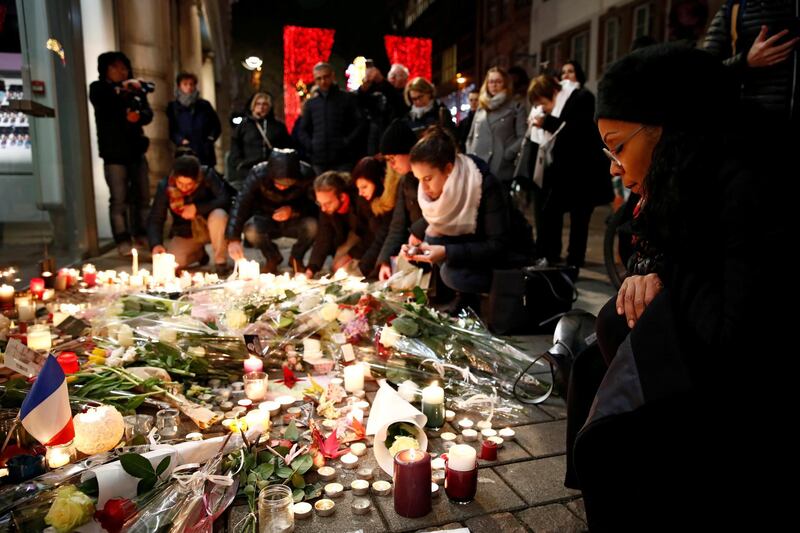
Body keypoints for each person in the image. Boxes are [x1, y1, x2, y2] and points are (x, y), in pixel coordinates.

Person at [565, 44, 787, 530]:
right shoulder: (675, 185)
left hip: (730, 394)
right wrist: (648, 272)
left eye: (619, 147)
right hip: (686, 366)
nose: (613, 166)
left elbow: (734, 337)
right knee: (589, 362)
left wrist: (667, 274)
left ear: (668, 131)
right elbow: (648, 258)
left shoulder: (745, 185)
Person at [401, 127, 513, 311]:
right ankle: (462, 297)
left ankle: (472, 298)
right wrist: (417, 250)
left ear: (448, 169)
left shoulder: (482, 184)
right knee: (431, 238)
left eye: (428, 178)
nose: (424, 187)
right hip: (470, 255)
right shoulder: (437, 191)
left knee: (452, 274)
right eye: (419, 179)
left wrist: (447, 252)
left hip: (504, 263)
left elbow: (499, 246)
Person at [527, 74, 613, 268]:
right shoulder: (562, 102)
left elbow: (576, 133)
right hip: (562, 173)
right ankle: (553, 256)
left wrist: (546, 122)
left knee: (579, 219)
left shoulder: (581, 98)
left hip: (583, 173)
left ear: (552, 93)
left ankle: (574, 261)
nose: (543, 108)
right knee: (551, 214)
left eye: (542, 102)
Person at [89, 51, 153, 256]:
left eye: (124, 67)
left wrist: (138, 115)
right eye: (115, 67)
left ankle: (142, 234)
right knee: (119, 199)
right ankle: (122, 239)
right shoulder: (99, 88)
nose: (121, 71)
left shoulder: (135, 90)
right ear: (106, 69)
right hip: (114, 153)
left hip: (136, 150)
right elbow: (105, 102)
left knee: (143, 196)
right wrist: (124, 90)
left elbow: (148, 113)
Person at [226, 149, 317, 274]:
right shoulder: (257, 174)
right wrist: (233, 239)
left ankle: (296, 257)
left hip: (296, 220)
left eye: (287, 184)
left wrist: (293, 211)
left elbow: (315, 205)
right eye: (278, 183)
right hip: (266, 218)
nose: (282, 187)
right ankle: (272, 257)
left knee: (312, 226)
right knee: (251, 230)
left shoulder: (307, 174)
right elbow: (241, 204)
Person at [147, 155, 230, 273]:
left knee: (219, 215)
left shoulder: (207, 176)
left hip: (211, 224)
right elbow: (156, 218)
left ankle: (220, 261)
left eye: (189, 184)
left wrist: (197, 208)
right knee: (174, 261)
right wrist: (156, 244)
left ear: (196, 179)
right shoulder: (166, 186)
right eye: (180, 183)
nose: (184, 188)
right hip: (187, 231)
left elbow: (224, 199)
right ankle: (199, 254)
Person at [376, 120, 425, 281]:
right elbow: (397, 226)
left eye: (393, 158)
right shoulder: (405, 182)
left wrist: (417, 231)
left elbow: (441, 213)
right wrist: (384, 261)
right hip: (414, 252)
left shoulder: (428, 178)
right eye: (387, 160)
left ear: (409, 152)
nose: (391, 165)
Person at [297, 62, 365, 175]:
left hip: (343, 157)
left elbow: (360, 123)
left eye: (326, 77)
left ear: (332, 76)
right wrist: (312, 145)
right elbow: (302, 129)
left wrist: (347, 142)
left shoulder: (347, 99)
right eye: (319, 78)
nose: (323, 81)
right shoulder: (311, 104)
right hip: (319, 158)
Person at [465, 67, 527, 184]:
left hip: (500, 166)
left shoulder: (516, 107)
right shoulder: (481, 107)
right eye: (491, 82)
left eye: (498, 82)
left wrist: (508, 153)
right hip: (477, 165)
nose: (494, 85)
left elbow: (523, 136)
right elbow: (470, 136)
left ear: (505, 84)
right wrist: (470, 155)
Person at [305, 172, 366, 277]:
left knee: (349, 271)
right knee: (337, 267)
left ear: (342, 197)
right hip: (348, 239)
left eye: (327, 203)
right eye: (319, 203)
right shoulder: (326, 208)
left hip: (366, 239)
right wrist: (312, 268)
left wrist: (352, 254)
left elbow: (371, 233)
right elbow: (324, 236)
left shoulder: (360, 200)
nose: (323, 208)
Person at [351, 156, 401, 277]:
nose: (360, 193)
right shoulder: (367, 201)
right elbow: (368, 234)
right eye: (358, 188)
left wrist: (364, 267)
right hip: (376, 253)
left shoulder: (389, 203)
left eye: (364, 187)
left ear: (378, 180)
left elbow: (384, 235)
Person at [229, 92, 292, 184]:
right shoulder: (243, 126)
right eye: (258, 104)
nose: (261, 107)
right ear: (253, 106)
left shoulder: (278, 127)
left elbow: (286, 146)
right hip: (249, 169)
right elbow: (235, 145)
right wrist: (239, 163)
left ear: (269, 107)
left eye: (265, 104)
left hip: (272, 169)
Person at [166, 72, 221, 167]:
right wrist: (180, 140)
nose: (189, 87)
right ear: (179, 86)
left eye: (191, 84)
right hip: (185, 151)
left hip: (204, 152)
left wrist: (209, 139)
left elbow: (216, 126)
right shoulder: (173, 107)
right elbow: (171, 128)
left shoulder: (204, 105)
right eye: (185, 84)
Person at [358, 65, 408, 155]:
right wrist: (363, 89)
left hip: (394, 143)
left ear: (405, 80)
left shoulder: (406, 95)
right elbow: (362, 104)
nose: (393, 77)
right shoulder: (378, 90)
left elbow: (395, 99)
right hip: (374, 140)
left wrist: (382, 81)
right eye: (392, 74)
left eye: (398, 75)